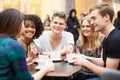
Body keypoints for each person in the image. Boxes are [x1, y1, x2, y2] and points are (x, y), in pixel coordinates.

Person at [0, 8, 54, 80]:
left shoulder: (3, 41)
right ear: (16, 25)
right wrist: (46, 68)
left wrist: (28, 60)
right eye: (23, 24)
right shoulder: (13, 45)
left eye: (33, 27)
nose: (24, 28)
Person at [73, 3, 120, 80]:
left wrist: (85, 62)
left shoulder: (115, 39)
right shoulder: (108, 38)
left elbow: (110, 74)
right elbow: (103, 62)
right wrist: (86, 58)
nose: (91, 22)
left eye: (94, 18)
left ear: (106, 17)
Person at [73, 15, 103, 80]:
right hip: (81, 74)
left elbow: (102, 62)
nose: (84, 29)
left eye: (88, 26)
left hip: (97, 74)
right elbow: (79, 63)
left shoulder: (102, 41)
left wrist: (86, 59)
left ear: (94, 27)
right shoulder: (79, 42)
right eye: (83, 26)